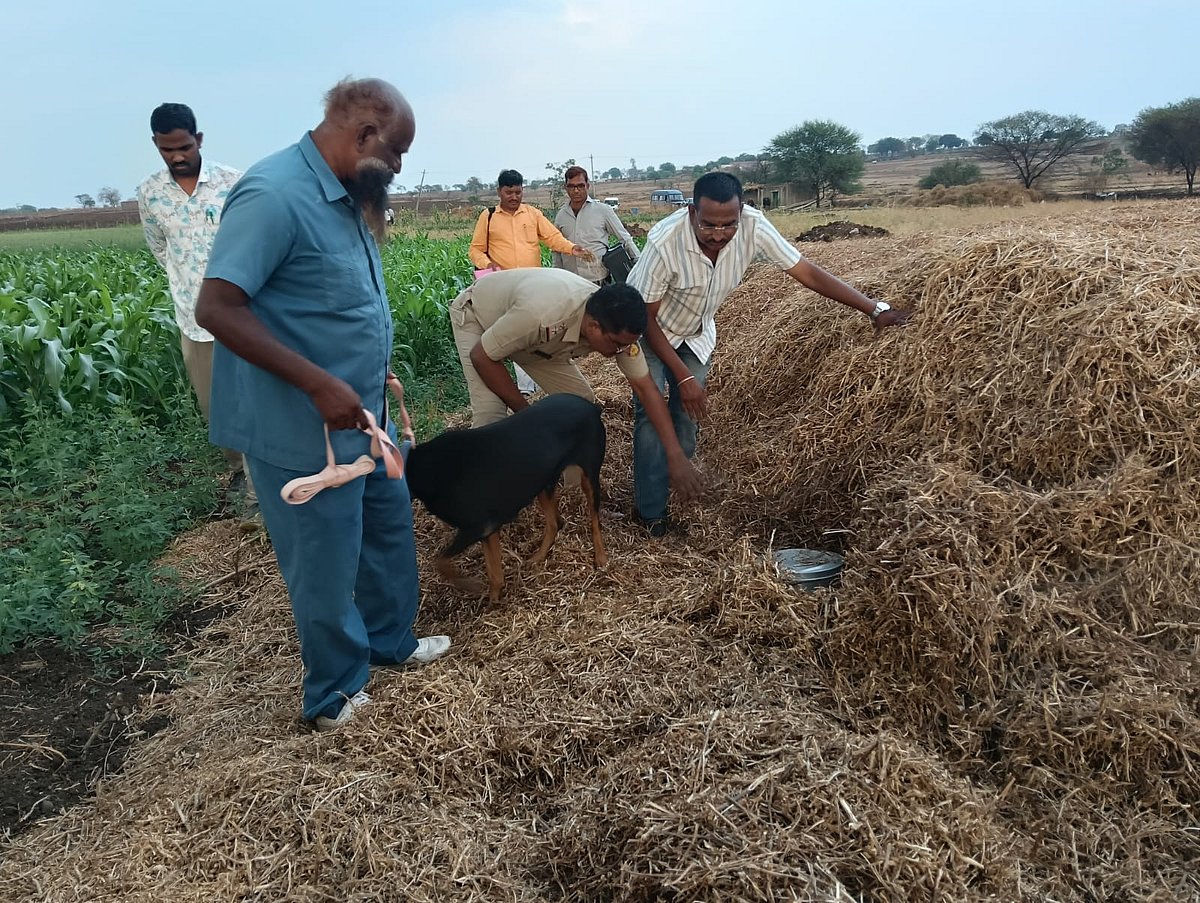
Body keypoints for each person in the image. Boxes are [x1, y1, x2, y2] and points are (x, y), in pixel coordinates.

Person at [194, 78, 450, 732]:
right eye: (395, 153)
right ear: (363, 136)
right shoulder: (274, 195)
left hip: (364, 416)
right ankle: (334, 694)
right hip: (305, 427)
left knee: (388, 531)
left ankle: (390, 642)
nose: (397, 167)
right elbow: (217, 308)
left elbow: (331, 300)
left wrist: (368, 360)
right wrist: (317, 382)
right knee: (326, 562)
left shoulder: (348, 196)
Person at [628, 171, 911, 536]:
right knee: (651, 416)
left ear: (742, 211)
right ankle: (650, 513)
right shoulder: (666, 242)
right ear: (691, 212)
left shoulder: (754, 227)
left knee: (687, 414)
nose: (718, 234)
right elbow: (645, 318)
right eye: (709, 224)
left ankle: (678, 478)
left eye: (728, 224)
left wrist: (874, 309)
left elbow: (807, 272)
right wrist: (681, 376)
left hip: (696, 332)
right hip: (647, 329)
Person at [448, 268, 702, 503]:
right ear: (594, 327)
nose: (622, 352)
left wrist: (675, 455)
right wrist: (528, 418)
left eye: (627, 345)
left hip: (535, 344)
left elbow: (647, 390)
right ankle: (470, 501)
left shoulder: (617, 330)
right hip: (480, 320)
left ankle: (575, 498)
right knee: (490, 414)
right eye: (616, 344)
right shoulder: (541, 313)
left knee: (580, 409)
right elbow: (482, 357)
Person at [135, 103, 257, 514]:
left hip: (243, 316)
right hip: (194, 320)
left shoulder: (232, 183)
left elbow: (255, 242)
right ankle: (239, 471)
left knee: (253, 397)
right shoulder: (150, 193)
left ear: (198, 139)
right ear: (156, 145)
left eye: (184, 146)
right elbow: (160, 249)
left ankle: (266, 480)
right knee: (215, 406)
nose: (177, 156)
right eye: (167, 149)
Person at [468, 169, 590, 397]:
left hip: (533, 289)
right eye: (509, 192)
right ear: (499, 192)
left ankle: (536, 385)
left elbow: (552, 237)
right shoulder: (489, 215)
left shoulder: (532, 214)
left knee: (533, 335)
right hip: (503, 288)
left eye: (518, 192)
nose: (514, 197)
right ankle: (523, 390)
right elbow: (475, 250)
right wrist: (489, 264)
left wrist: (571, 248)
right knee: (510, 335)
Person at [551, 166, 640, 285]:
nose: (576, 190)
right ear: (565, 187)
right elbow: (557, 248)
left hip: (598, 279)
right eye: (571, 186)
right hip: (571, 282)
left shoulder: (603, 210)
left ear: (587, 186)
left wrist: (640, 264)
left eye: (580, 186)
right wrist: (557, 275)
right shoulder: (561, 216)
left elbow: (624, 239)